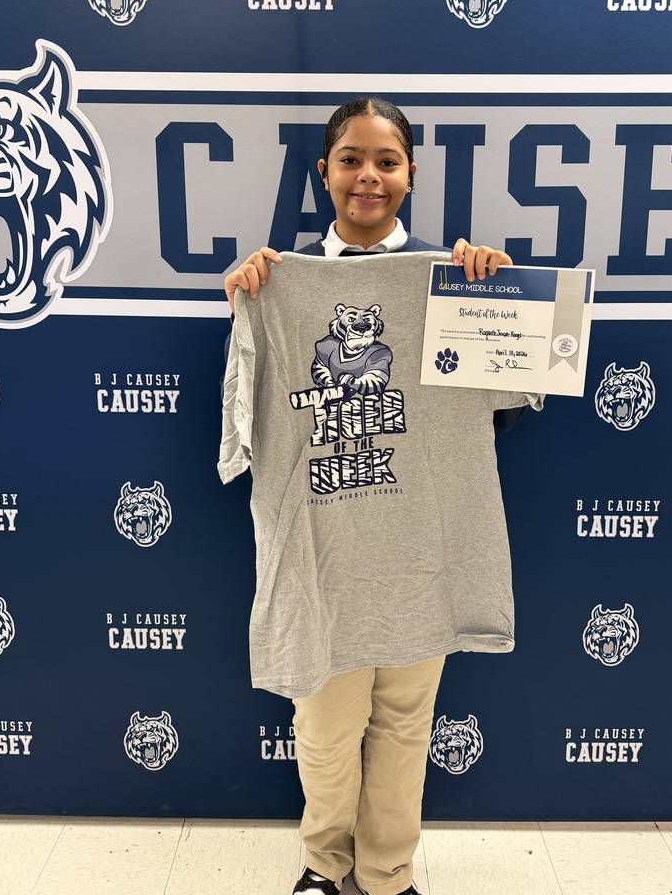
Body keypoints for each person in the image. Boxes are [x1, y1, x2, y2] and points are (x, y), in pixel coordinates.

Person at [222, 98, 538, 895]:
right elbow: (243, 443)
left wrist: (496, 296)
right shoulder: (271, 283)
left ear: (411, 174)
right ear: (323, 173)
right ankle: (323, 867)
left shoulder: (458, 280)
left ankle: (388, 873)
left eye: (387, 161)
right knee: (325, 735)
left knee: (403, 728)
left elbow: (518, 392)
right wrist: (250, 304)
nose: (370, 177)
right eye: (352, 159)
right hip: (321, 559)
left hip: (419, 554)